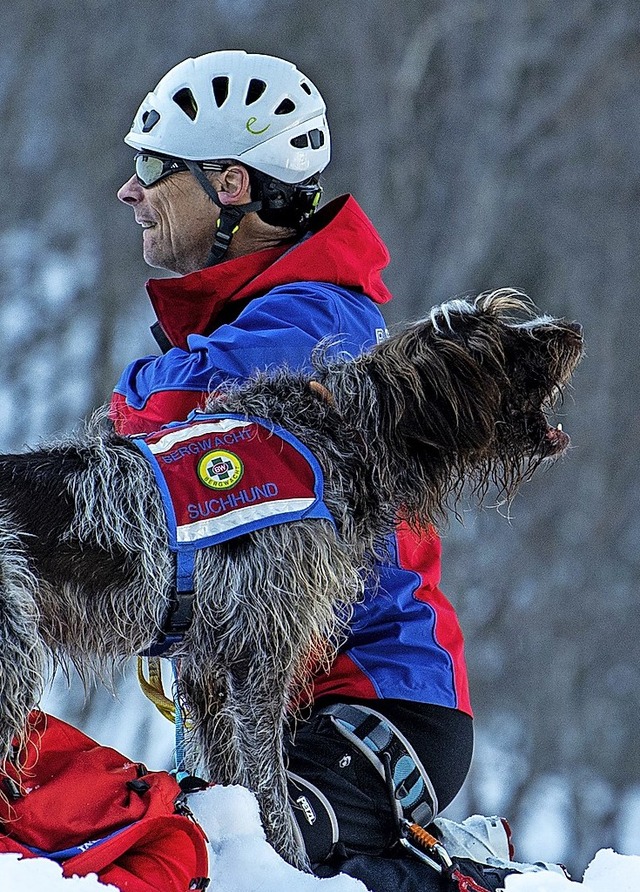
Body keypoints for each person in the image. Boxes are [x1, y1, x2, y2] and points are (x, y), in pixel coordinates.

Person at [112, 50, 474, 875]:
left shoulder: (316, 322)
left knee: (238, 868)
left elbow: (166, 419)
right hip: (300, 699)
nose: (130, 191)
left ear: (231, 185)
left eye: (150, 168)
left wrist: (135, 394)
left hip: (370, 702)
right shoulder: (263, 313)